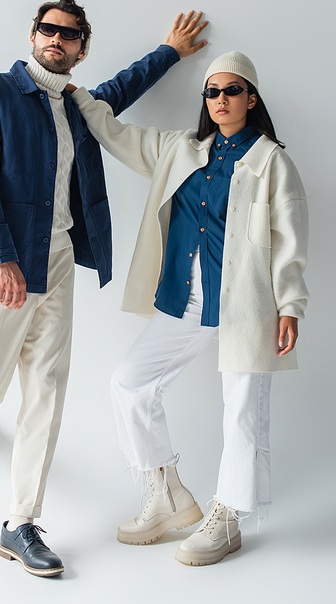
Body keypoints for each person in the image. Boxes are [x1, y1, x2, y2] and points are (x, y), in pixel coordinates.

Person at [0, 0, 208, 577]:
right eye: (48, 29)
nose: (56, 39)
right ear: (33, 36)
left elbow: (125, 86)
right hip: (2, 265)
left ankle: (20, 523)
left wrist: (172, 51)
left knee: (47, 389)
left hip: (58, 261)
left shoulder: (79, 105)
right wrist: (2, 259)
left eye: (69, 34)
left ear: (81, 48)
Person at [69, 39, 309, 566]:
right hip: (187, 294)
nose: (219, 99)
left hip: (248, 301)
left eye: (231, 91)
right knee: (129, 381)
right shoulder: (181, 148)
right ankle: (167, 494)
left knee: (243, 410)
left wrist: (291, 305)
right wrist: (79, 98)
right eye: (211, 92)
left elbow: (290, 239)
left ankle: (228, 517)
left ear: (251, 98)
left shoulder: (271, 162)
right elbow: (118, 134)